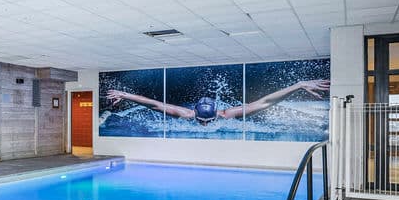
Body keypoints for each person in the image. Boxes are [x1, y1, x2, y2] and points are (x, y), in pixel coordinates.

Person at [106, 79, 330, 125]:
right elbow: (154, 104)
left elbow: (264, 102)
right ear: (194, 113)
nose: (205, 125)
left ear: (217, 114)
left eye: (209, 121)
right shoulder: (186, 114)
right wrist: (125, 95)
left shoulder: (227, 114)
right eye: (202, 121)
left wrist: (298, 85)